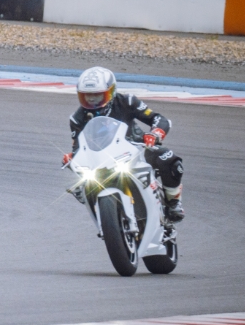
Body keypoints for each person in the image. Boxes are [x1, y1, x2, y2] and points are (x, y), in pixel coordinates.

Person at [64, 67, 185, 222]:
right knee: (81, 179)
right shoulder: (77, 119)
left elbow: (157, 118)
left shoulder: (127, 101)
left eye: (98, 96)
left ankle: (173, 201)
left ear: (111, 91)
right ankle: (101, 213)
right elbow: (78, 147)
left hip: (136, 150)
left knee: (168, 158)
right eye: (87, 96)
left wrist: (155, 134)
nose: (92, 101)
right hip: (102, 160)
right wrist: (72, 158)